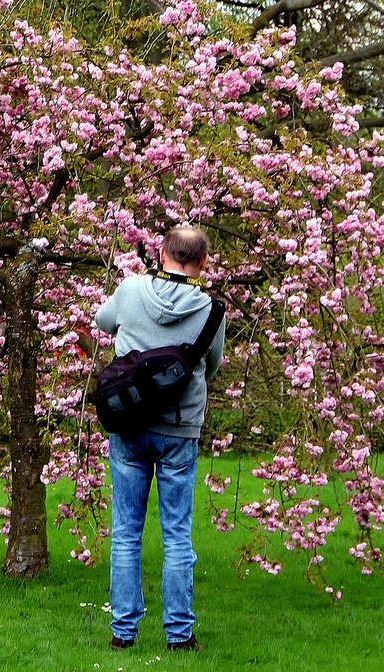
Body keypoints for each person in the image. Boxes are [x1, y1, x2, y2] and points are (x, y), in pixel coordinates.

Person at [95, 225, 225, 653]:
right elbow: (212, 364)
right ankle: (179, 635)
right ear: (202, 263)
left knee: (127, 531)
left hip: (129, 427)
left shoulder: (131, 289)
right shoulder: (210, 310)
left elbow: (102, 321)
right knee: (177, 534)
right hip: (179, 431)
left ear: (162, 251)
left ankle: (123, 631)